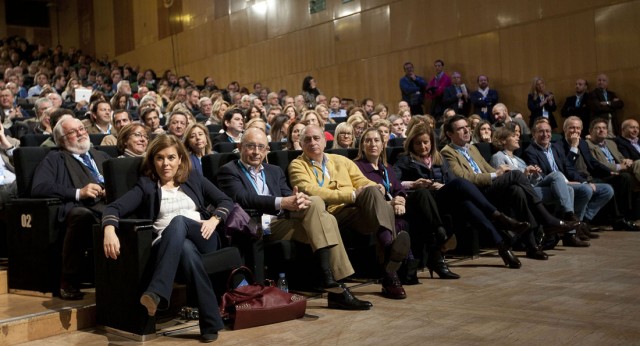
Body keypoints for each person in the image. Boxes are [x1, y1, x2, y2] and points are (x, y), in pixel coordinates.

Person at [218, 128, 372, 308]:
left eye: (261, 147)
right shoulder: (229, 171)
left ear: (267, 150)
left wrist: (298, 199)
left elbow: (287, 194)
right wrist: (282, 202)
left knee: (315, 204)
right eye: (250, 146)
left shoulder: (273, 170)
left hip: (281, 222)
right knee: (327, 221)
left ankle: (331, 281)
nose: (256, 152)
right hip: (255, 226)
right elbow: (243, 198)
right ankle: (337, 284)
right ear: (239, 147)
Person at [102, 134, 232, 342]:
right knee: (186, 251)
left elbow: (225, 200)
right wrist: (109, 229)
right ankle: (210, 324)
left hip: (203, 236)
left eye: (171, 157)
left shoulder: (193, 178)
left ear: (180, 159)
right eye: (160, 158)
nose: (166, 163)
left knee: (180, 221)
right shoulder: (146, 186)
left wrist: (214, 220)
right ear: (153, 161)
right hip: (166, 245)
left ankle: (156, 291)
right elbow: (114, 207)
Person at [289, 125, 411, 300]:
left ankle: (389, 252)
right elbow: (312, 191)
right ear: (300, 144)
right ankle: (390, 270)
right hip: (330, 215)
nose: (312, 142)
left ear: (325, 141)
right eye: (307, 139)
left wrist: (375, 186)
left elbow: (362, 180)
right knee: (377, 202)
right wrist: (351, 195)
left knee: (373, 192)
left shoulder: (340, 160)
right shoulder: (297, 165)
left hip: (356, 212)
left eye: (316, 138)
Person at [441, 115, 580, 259]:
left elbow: (487, 168)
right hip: (477, 193)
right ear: (449, 134)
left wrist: (500, 172)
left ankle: (532, 246)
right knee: (516, 175)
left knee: (517, 191)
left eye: (467, 127)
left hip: (491, 187)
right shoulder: (448, 152)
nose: (466, 131)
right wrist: (496, 174)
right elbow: (465, 178)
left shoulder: (472, 149)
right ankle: (547, 219)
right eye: (460, 129)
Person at [394, 124, 527, 267]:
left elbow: (451, 181)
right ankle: (500, 218)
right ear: (411, 144)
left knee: (467, 204)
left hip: (443, 196)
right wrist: (414, 184)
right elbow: (394, 182)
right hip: (426, 201)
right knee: (461, 183)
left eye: (425, 142)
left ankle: (502, 247)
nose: (422, 146)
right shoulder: (404, 160)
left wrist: (442, 186)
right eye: (418, 143)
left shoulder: (438, 158)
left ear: (431, 142)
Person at [355, 127, 455, 280]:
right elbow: (365, 195)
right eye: (368, 141)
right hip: (378, 211)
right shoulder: (357, 167)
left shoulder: (386, 167)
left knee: (422, 193)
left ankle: (439, 235)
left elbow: (398, 188)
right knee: (420, 209)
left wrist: (401, 199)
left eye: (376, 140)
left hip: (398, 207)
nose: (372, 144)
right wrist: (391, 202)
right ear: (362, 145)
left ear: (383, 145)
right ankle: (437, 250)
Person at [31, 117, 111, 300]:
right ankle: (68, 281)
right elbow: (39, 188)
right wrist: (78, 193)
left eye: (81, 129)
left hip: (109, 206)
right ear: (62, 140)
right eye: (73, 132)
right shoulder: (54, 158)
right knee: (80, 215)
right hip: (80, 209)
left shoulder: (101, 156)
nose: (81, 133)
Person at [554, 116, 638, 231]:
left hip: (590, 177)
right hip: (575, 179)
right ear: (565, 129)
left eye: (578, 128)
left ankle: (620, 218)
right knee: (608, 187)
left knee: (623, 178)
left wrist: (609, 171)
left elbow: (593, 163)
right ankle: (591, 222)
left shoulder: (582, 143)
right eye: (571, 128)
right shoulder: (558, 146)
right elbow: (568, 168)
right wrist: (573, 146)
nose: (575, 131)